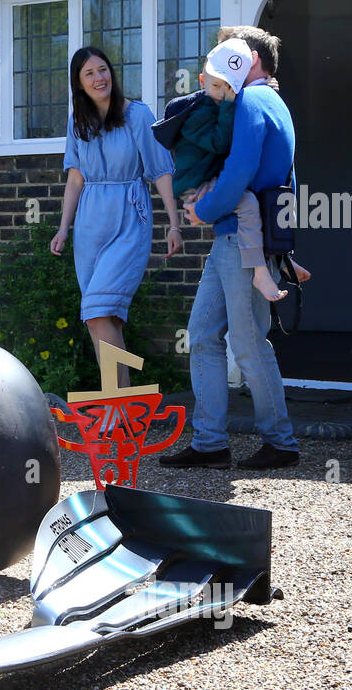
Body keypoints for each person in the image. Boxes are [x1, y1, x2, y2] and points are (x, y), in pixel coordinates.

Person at [160, 25, 300, 470]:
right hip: (238, 238)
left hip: (241, 238)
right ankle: (209, 443)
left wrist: (204, 210)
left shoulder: (254, 101)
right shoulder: (270, 102)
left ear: (252, 60)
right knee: (203, 335)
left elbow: (239, 169)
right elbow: (286, 179)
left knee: (247, 341)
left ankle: (281, 443)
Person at [49, 47, 181, 387]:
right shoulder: (77, 122)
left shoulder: (137, 114)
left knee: (96, 310)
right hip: (90, 226)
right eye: (89, 73)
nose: (99, 78)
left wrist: (173, 223)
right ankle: (120, 397)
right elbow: (75, 178)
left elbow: (161, 170)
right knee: (103, 318)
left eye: (103, 70)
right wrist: (64, 228)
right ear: (78, 83)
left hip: (128, 218)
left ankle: (117, 398)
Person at [154, 37, 290, 302]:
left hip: (211, 194)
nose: (221, 92)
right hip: (195, 187)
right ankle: (261, 271)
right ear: (203, 82)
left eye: (228, 87)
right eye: (216, 85)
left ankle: (274, 263)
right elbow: (221, 143)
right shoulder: (197, 113)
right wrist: (229, 105)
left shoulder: (239, 102)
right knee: (248, 202)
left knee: (208, 337)